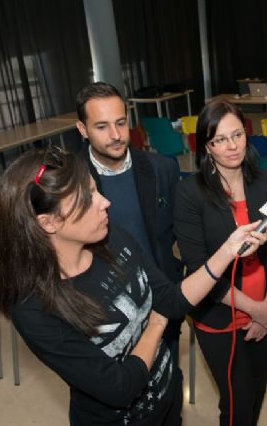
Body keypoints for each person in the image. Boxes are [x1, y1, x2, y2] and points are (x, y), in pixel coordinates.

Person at [0, 147, 267, 426]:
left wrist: (227, 251)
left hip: (168, 402)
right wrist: (157, 325)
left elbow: (172, 300)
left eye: (95, 189)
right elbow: (120, 387)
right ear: (49, 222)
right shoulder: (33, 307)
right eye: (88, 198)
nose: (105, 202)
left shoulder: (113, 239)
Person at [173, 99, 267, 426]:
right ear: (206, 147)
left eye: (237, 135)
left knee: (255, 394)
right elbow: (199, 268)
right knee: (237, 405)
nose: (231, 146)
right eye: (220, 140)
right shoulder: (189, 193)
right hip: (219, 314)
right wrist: (253, 309)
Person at [74, 82, 184, 402]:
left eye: (121, 123)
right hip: (104, 317)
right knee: (121, 399)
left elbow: (177, 234)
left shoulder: (162, 168)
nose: (116, 135)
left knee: (167, 387)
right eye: (102, 126)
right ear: (82, 129)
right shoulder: (70, 182)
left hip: (161, 302)